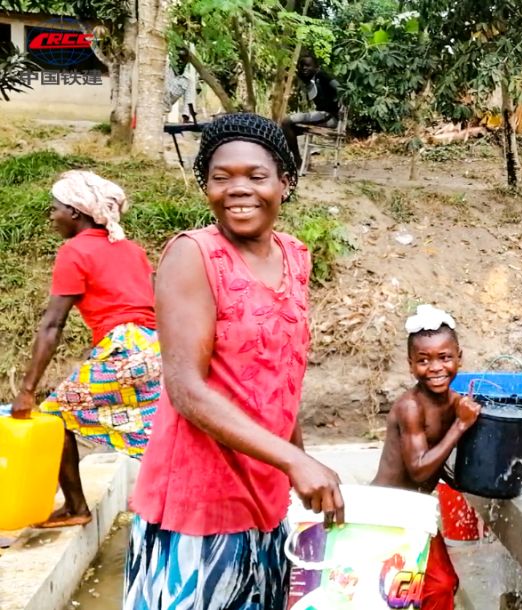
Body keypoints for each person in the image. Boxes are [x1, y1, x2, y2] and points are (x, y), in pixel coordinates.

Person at [123, 113, 344, 610]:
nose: (238, 189)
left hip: (265, 493)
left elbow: (280, 378)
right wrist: (294, 460)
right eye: (221, 177)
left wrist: (296, 467)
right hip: (199, 505)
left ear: (285, 183)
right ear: (206, 186)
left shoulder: (295, 255)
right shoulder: (194, 256)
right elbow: (186, 389)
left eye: (256, 176)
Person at [12, 170, 160, 529]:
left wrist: (27, 390)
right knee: (161, 428)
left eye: (55, 209)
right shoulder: (131, 250)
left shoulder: (74, 251)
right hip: (156, 348)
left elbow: (53, 325)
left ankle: (76, 507)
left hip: (123, 349)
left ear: (75, 213)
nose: (51, 216)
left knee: (55, 415)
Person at [372, 304, 482, 610]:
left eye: (445, 358)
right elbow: (419, 470)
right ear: (410, 365)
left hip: (415, 508)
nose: (435, 368)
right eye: (423, 360)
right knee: (438, 584)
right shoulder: (411, 407)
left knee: (441, 583)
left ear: (459, 358)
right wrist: (460, 426)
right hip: (389, 508)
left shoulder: (454, 402)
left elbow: (437, 458)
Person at [281, 55, 340, 168]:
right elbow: (298, 72)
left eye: (308, 65)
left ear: (316, 67)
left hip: (328, 116)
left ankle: (298, 161)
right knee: (288, 128)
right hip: (322, 116)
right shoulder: (309, 78)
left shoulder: (322, 76)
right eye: (302, 66)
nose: (304, 68)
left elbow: (340, 89)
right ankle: (297, 161)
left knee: (286, 122)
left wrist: (338, 104)